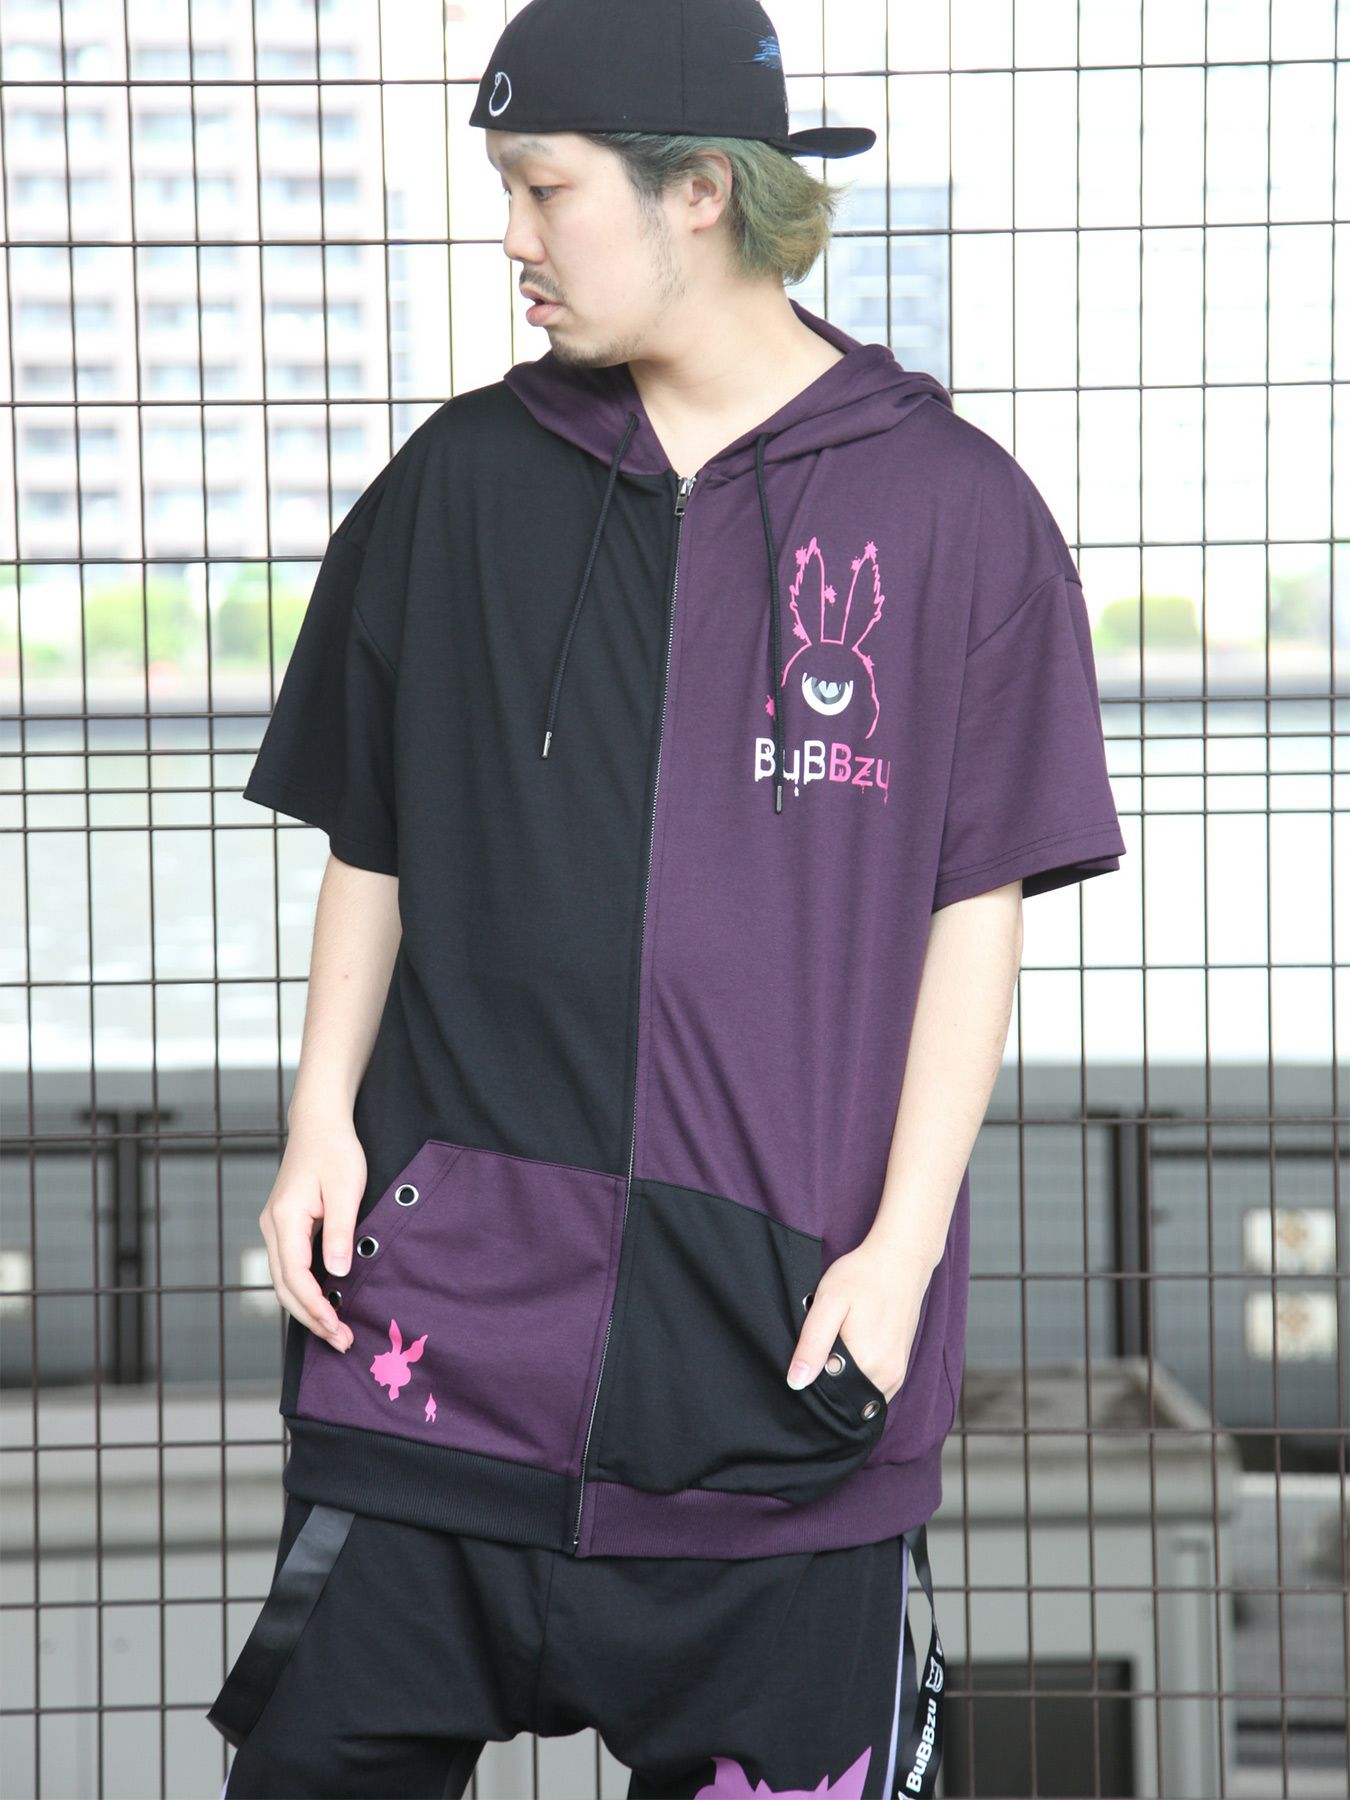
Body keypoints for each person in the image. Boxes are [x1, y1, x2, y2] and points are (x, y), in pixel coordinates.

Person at [207, 1, 1127, 1794]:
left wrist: (900, 1250)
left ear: (698, 190)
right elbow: (371, 839)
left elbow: (978, 911)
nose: (511, 236)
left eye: (544, 188)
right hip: (441, 1352)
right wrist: (319, 1120)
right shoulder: (457, 483)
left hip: (777, 1376)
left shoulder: (958, 516)